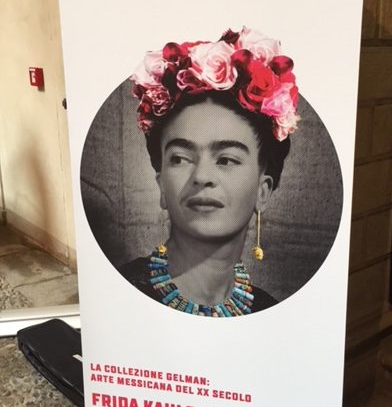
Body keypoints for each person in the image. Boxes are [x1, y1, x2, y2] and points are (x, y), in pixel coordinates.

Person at [121, 27, 300, 317]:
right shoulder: (122, 294)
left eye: (226, 160)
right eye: (181, 159)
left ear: (262, 191)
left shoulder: (269, 312)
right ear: (162, 185)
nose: (202, 176)